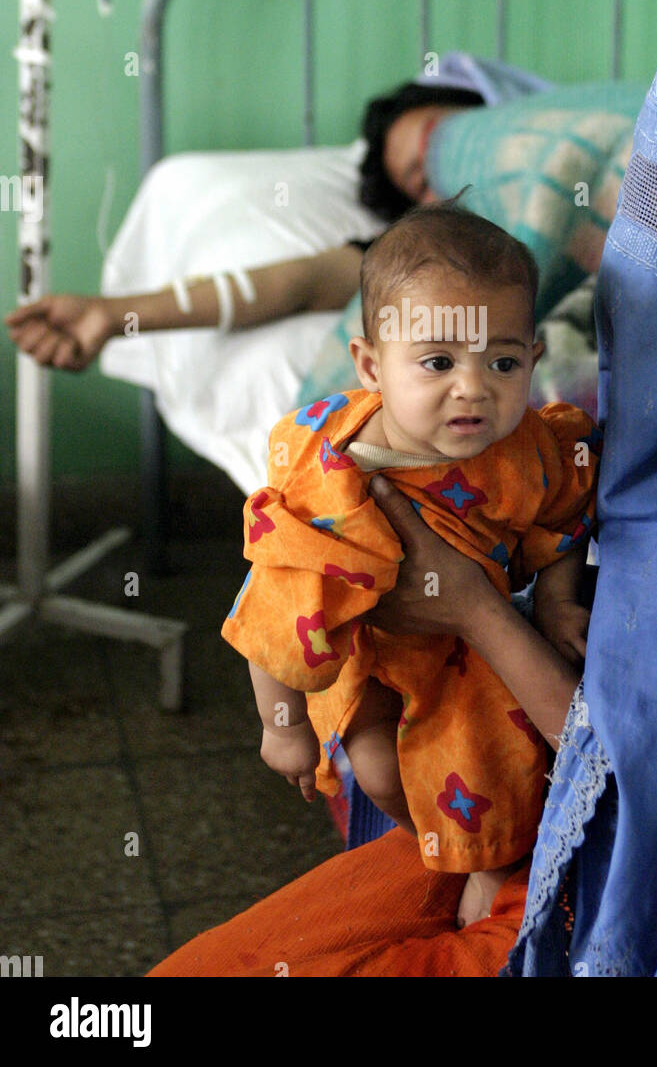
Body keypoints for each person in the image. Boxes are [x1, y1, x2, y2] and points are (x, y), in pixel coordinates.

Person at [148, 0, 657, 978]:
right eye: (650, 195)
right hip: (503, 798)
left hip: (635, 893)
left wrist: (481, 611)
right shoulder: (656, 389)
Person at [223, 203, 600, 928]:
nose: (473, 387)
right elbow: (266, 610)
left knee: (496, 767)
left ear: (532, 358)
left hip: (472, 652)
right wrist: (283, 725)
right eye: (437, 362)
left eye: (503, 362)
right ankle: (427, 838)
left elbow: (564, 519)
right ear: (371, 366)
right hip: (367, 648)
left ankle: (492, 859)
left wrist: (555, 600)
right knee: (374, 770)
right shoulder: (337, 482)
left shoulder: (529, 449)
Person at [3, 80, 485, 371]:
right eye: (420, 180)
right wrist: (111, 315)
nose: (444, 164)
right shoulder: (456, 251)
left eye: (440, 136)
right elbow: (298, 283)